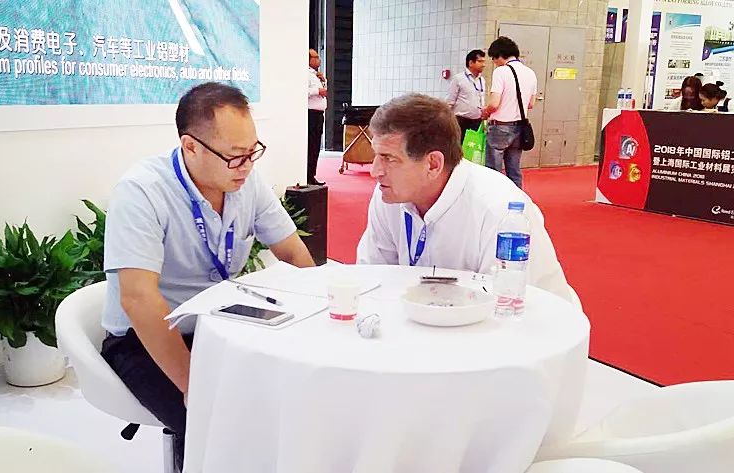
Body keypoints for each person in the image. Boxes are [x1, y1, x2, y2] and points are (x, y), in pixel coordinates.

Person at [100, 82, 315, 470]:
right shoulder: (142, 191)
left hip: (220, 323)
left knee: (288, 397)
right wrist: (191, 384)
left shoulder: (246, 182)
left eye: (252, 152)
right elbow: (139, 299)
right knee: (220, 427)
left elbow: (292, 252)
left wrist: (323, 316)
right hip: (146, 339)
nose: (247, 166)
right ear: (191, 147)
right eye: (234, 156)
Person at [356, 93, 572, 302]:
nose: (375, 171)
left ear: (433, 164)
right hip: (429, 317)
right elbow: (373, 277)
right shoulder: (389, 194)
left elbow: (510, 306)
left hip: (524, 320)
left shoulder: (499, 211)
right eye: (376, 155)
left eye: (389, 158)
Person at [482, 36, 537, 189]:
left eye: (494, 58)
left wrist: (485, 111)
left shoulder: (501, 72)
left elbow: (494, 104)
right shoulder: (530, 73)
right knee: (514, 170)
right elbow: (531, 104)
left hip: (500, 127)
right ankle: (516, 198)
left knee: (493, 171)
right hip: (519, 127)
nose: (494, 62)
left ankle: (494, 200)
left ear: (500, 55)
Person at [446, 49, 488, 143]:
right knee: (458, 147)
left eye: (484, 62)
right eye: (480, 61)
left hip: (477, 121)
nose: (484, 65)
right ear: (471, 63)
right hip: (461, 121)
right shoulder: (458, 79)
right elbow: (450, 102)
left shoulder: (482, 80)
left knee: (473, 149)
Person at [308, 48, 327, 186]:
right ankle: (307, 175)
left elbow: (324, 92)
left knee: (316, 147)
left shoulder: (316, 75)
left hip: (319, 114)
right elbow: (299, 91)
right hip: (310, 115)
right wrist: (317, 90)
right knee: (310, 146)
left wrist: (323, 81)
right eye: (315, 57)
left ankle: (312, 175)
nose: (318, 60)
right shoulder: (304, 74)